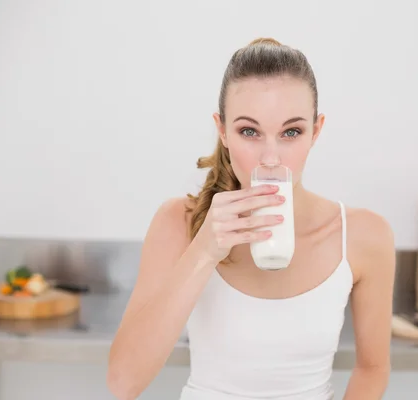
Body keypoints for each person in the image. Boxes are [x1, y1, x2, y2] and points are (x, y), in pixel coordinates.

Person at [107, 37, 396, 400]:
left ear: (316, 132)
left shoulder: (363, 235)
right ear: (223, 131)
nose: (271, 158)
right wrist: (203, 251)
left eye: (291, 132)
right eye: (249, 131)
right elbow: (122, 383)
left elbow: (373, 369)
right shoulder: (179, 222)